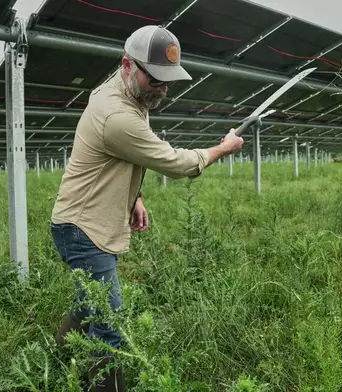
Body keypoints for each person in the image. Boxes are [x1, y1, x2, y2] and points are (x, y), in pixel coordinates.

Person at [49, 24, 244, 391]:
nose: (163, 89)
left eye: (168, 81)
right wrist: (223, 148)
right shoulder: (117, 116)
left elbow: (118, 159)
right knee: (110, 323)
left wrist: (135, 197)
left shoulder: (126, 95)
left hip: (82, 220)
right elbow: (177, 163)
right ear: (127, 65)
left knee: (90, 301)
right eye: (155, 79)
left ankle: (58, 355)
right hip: (84, 228)